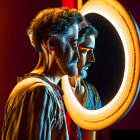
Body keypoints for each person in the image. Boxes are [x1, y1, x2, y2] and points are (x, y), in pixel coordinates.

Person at [2, 8, 83, 140]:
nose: (78, 55)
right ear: (51, 44)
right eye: (73, 43)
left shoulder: (38, 89)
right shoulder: (39, 91)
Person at [67, 21, 102, 140]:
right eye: (86, 51)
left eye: (92, 51)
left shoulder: (93, 94)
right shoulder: (54, 92)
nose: (92, 59)